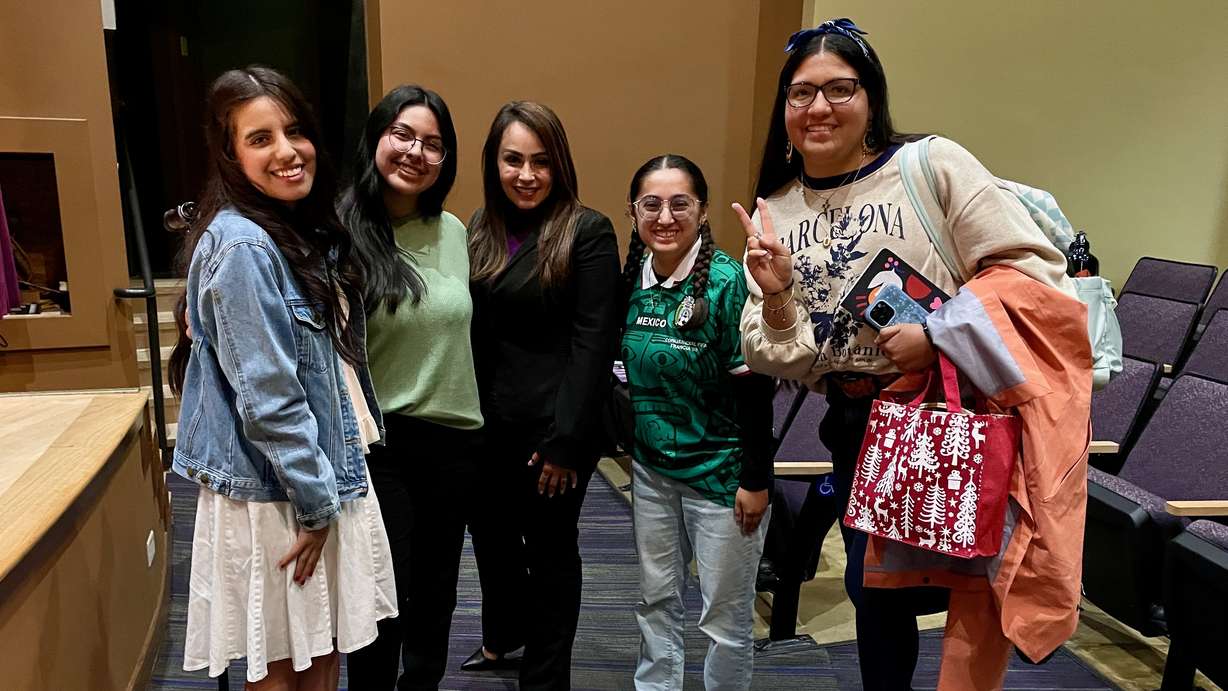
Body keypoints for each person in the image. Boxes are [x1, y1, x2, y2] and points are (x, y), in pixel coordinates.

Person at [733, 18, 1085, 690]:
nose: (819, 108)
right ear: (783, 113)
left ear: (871, 99)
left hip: (946, 414)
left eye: (840, 89)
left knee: (970, 589)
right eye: (800, 94)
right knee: (878, 594)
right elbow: (785, 355)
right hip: (854, 426)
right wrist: (778, 291)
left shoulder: (930, 166)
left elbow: (1036, 270)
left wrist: (941, 333)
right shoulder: (776, 208)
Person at [166, 66, 396, 690]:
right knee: (285, 669)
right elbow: (269, 399)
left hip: (312, 477)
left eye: (294, 131)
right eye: (260, 139)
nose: (288, 151)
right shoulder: (245, 246)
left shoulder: (294, 231)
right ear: (230, 155)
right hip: (282, 491)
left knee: (318, 656)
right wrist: (316, 505)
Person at [466, 100, 622, 690]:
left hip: (550, 437)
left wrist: (566, 444)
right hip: (485, 429)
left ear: (559, 166)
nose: (526, 175)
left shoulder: (587, 231)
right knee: (494, 545)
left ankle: (546, 675)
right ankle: (503, 641)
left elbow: (592, 343)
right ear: (494, 163)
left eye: (540, 161)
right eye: (512, 160)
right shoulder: (482, 229)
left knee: (551, 553)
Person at [339, 86, 483, 690]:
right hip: (381, 445)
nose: (417, 152)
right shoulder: (340, 230)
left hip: (452, 443)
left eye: (433, 144)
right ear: (376, 137)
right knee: (383, 598)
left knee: (437, 597)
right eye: (403, 135)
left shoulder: (452, 229)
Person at [619, 154, 775, 690]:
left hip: (721, 479)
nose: (665, 216)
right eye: (651, 204)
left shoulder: (729, 282)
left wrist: (756, 480)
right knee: (656, 601)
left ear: (703, 211)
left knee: (724, 621)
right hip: (653, 475)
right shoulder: (631, 277)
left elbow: (757, 392)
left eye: (680, 203)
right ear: (633, 212)